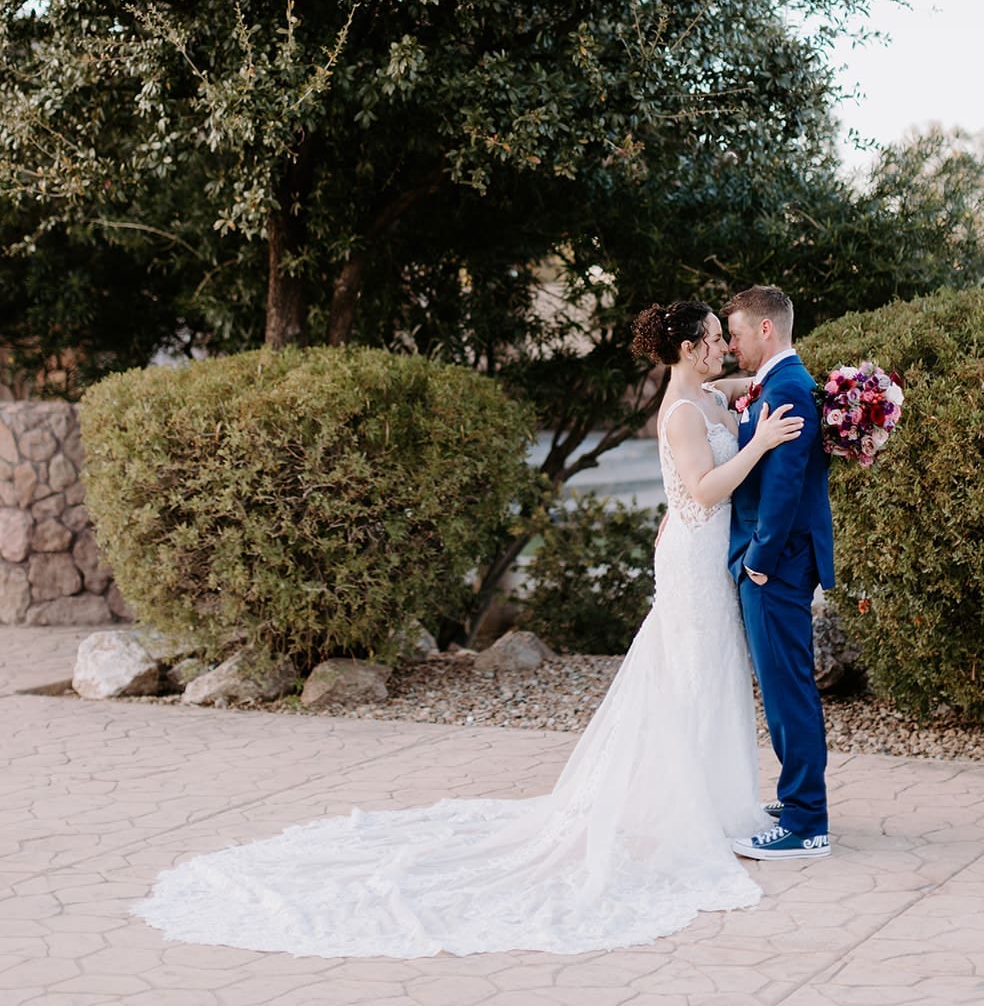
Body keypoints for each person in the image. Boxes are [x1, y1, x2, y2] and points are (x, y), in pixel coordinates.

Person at [133, 298, 802, 959]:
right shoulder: (683, 412)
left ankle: (718, 804)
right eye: (715, 337)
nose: (724, 346)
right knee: (689, 676)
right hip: (693, 555)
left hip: (707, 553)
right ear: (688, 348)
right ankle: (687, 813)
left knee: (706, 675)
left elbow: (743, 388)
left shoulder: (709, 396)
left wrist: (776, 381)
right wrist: (765, 441)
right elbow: (706, 487)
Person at [724, 284, 835, 862]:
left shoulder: (788, 386)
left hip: (778, 564)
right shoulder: (779, 381)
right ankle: (798, 802)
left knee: (787, 688)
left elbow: (785, 486)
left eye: (737, 333)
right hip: (782, 560)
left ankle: (805, 822)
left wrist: (758, 563)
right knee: (783, 685)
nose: (733, 345)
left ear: (765, 329)